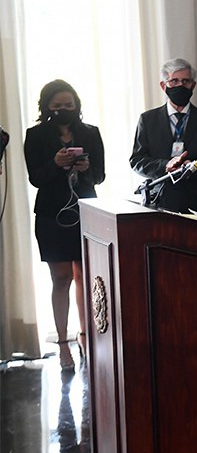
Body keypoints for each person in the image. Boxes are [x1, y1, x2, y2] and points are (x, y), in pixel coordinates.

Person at [24, 80, 105, 370]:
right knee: (60, 278)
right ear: (46, 107)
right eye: (57, 106)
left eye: (68, 105)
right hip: (52, 215)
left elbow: (100, 176)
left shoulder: (91, 133)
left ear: (77, 105)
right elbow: (35, 178)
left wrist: (86, 168)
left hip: (86, 212)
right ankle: (62, 343)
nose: (63, 110)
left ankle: (87, 337)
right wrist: (56, 164)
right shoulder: (35, 135)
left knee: (86, 277)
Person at [130, 58, 197, 215]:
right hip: (160, 200)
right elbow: (137, 161)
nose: (180, 86)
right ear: (163, 85)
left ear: (193, 85)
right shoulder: (147, 119)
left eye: (185, 81)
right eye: (174, 81)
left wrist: (191, 167)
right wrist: (166, 165)